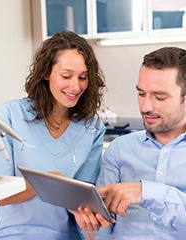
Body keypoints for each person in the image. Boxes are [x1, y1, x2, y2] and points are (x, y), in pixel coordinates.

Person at [0, 31, 106, 240]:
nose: (76, 86)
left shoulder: (92, 126)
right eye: (66, 76)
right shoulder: (10, 116)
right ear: (46, 73)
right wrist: (52, 181)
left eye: (83, 78)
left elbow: (84, 200)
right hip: (13, 235)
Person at [72, 46, 186, 239]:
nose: (145, 106)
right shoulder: (120, 149)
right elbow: (101, 226)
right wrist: (89, 224)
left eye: (159, 97)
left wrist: (146, 192)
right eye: (141, 94)